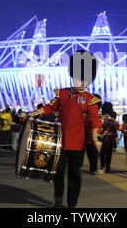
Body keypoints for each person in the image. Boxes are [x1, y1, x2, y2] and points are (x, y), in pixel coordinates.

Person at [29, 50, 102, 208]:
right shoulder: (62, 93)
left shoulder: (90, 100)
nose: (78, 81)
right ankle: (57, 199)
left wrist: (96, 139)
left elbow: (95, 120)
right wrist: (35, 113)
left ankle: (71, 203)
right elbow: (49, 107)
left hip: (77, 144)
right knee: (58, 172)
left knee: (75, 175)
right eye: (76, 77)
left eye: (81, 78)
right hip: (60, 142)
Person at [84, 94, 102, 175]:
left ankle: (93, 168)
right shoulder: (86, 116)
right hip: (88, 139)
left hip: (94, 139)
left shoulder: (97, 117)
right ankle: (92, 168)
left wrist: (96, 139)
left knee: (94, 155)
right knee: (90, 155)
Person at [100, 102, 118, 173]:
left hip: (110, 140)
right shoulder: (101, 121)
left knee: (108, 155)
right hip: (103, 140)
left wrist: (116, 138)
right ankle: (102, 165)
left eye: (107, 113)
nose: (106, 115)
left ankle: (108, 167)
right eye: (105, 113)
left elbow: (115, 131)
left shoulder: (113, 122)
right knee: (102, 154)